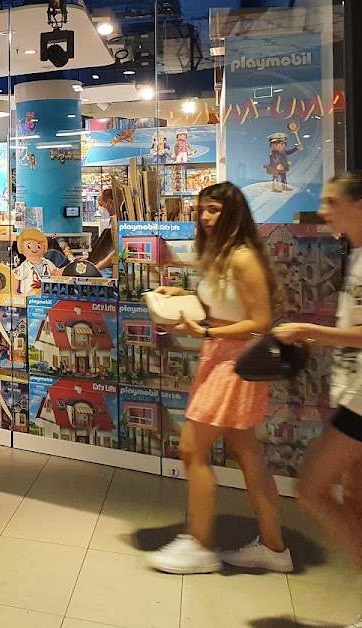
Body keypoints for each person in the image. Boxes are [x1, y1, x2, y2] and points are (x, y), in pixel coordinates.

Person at [148, 181, 290, 574]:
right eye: (202, 210)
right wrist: (181, 294)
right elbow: (222, 304)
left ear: (233, 212)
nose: (206, 217)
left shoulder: (242, 257)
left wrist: (207, 332)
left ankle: (199, 543)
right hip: (221, 357)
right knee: (246, 453)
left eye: (214, 209)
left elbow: (261, 322)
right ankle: (274, 548)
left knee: (192, 448)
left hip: (235, 361)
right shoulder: (221, 253)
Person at [273, 172, 362, 622]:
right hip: (352, 395)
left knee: (311, 488)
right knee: (354, 498)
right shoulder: (356, 255)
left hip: (361, 403)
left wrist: (309, 331)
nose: (323, 210)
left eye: (332, 202)